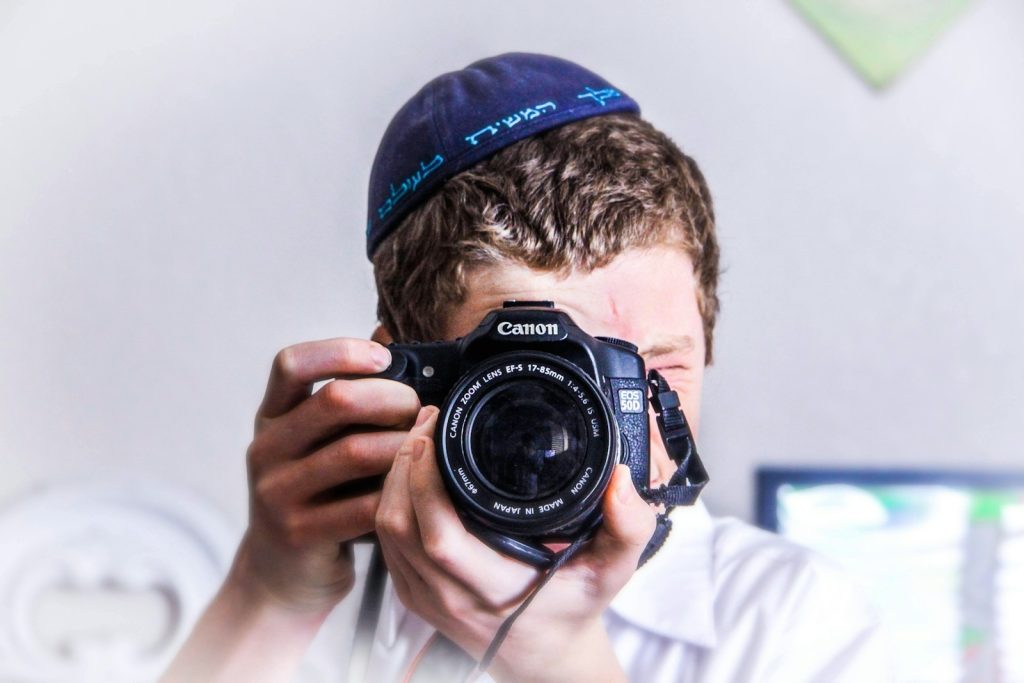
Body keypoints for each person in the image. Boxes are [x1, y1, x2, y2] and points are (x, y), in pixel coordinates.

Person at [162, 53, 888, 682]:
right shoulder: (337, 580)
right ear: (408, 378)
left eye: (652, 375)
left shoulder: (789, 618)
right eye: (540, 384)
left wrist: (562, 664)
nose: (598, 432)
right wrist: (270, 591)